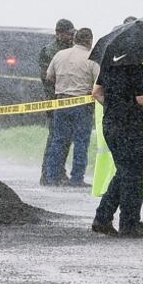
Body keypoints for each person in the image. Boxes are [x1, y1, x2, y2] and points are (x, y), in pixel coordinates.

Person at [90, 58, 143, 238]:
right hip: (130, 127)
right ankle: (129, 223)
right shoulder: (135, 67)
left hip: (111, 124)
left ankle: (103, 218)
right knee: (134, 175)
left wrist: (114, 107)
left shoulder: (108, 66)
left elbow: (96, 93)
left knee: (124, 172)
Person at [43, 28, 99, 187]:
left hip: (61, 103)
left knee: (59, 140)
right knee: (81, 141)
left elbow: (49, 76)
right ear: (89, 40)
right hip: (82, 104)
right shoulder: (92, 58)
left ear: (75, 39)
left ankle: (52, 176)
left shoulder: (60, 55)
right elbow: (98, 81)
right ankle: (76, 178)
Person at [39, 18, 75, 184]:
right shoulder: (49, 51)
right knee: (55, 138)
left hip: (68, 99)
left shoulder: (71, 49)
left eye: (72, 33)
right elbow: (48, 80)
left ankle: (59, 172)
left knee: (66, 138)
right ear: (58, 33)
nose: (70, 37)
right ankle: (47, 173)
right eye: (68, 34)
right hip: (55, 99)